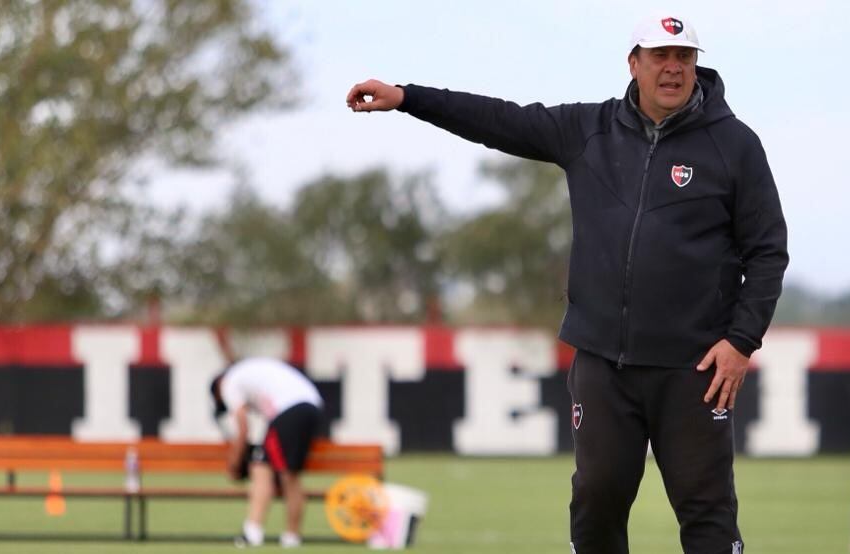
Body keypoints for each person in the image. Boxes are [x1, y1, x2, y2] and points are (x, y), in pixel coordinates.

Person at [347, 14, 787, 554]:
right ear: (634, 63)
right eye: (660, 56)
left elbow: (768, 250)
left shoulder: (735, 145)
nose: (673, 68)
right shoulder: (588, 131)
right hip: (604, 362)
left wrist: (742, 340)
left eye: (684, 57)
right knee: (597, 498)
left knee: (706, 509)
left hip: (693, 366)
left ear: (697, 65)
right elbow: (499, 120)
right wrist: (408, 97)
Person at [210, 357, 324, 548]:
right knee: (286, 473)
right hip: (311, 407)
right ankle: (291, 537)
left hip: (289, 409)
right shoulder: (250, 374)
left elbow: (243, 429)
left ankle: (253, 532)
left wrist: (233, 463)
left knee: (262, 466)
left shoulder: (229, 383)